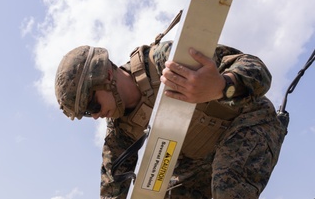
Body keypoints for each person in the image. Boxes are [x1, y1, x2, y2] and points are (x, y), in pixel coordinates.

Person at [54, 36, 287, 198]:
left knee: (228, 184)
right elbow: (112, 189)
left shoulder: (164, 62)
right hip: (200, 164)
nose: (94, 115)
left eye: (92, 104)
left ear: (105, 75)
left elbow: (258, 69)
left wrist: (221, 86)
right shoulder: (121, 131)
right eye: (86, 114)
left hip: (248, 124)